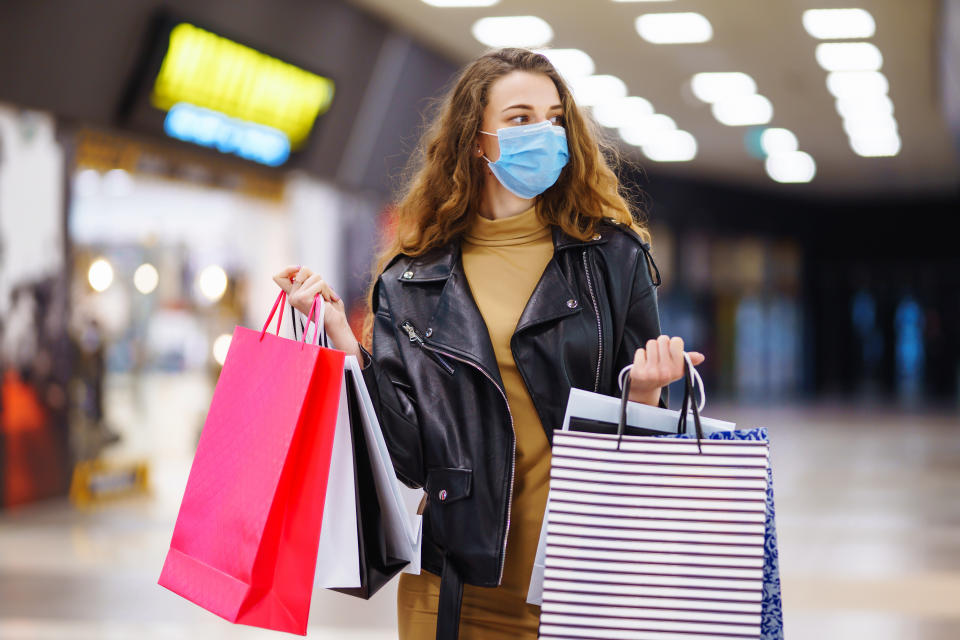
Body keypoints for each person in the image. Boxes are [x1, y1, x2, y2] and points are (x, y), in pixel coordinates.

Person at [273, 48, 705, 640]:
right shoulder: (412, 280)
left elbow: (642, 452)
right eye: (521, 118)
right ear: (477, 140)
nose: (544, 133)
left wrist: (650, 393)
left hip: (586, 583)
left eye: (555, 118)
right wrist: (343, 341)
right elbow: (406, 459)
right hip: (453, 588)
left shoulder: (613, 258)